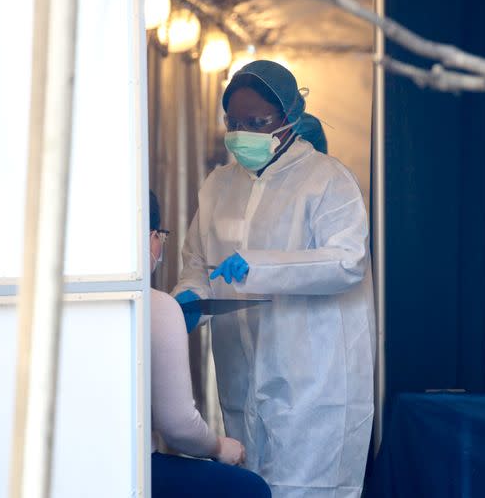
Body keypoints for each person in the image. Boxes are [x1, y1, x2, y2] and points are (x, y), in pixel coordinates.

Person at [173, 61, 375, 498]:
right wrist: (189, 295)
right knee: (251, 487)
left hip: (312, 379)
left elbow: (347, 261)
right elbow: (198, 260)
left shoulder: (326, 180)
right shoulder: (218, 186)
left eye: (257, 122)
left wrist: (260, 267)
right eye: (234, 121)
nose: (242, 131)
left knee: (307, 488)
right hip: (241, 373)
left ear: (288, 118)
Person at [148, 190, 271, 498]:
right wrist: (220, 447)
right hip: (129, 471)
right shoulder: (156, 307)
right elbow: (177, 426)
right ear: (150, 236)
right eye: (160, 236)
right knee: (250, 490)